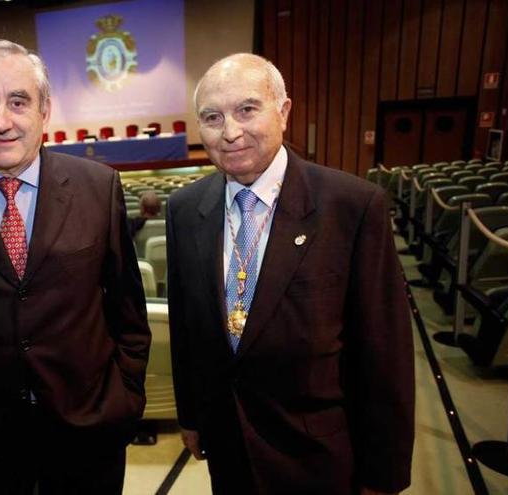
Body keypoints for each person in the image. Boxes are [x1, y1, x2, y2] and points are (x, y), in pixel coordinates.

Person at [165, 53, 414, 494]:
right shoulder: (184, 210)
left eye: (246, 109)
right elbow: (187, 331)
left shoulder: (352, 207)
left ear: (283, 111)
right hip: (228, 450)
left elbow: (384, 354)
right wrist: (191, 417)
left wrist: (383, 474)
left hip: (319, 458)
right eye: (212, 117)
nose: (230, 132)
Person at [0, 40, 150, 495]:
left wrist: (125, 400)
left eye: (18, 101)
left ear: (45, 110)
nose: (1, 121)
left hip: (89, 429)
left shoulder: (98, 188)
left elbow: (129, 314)